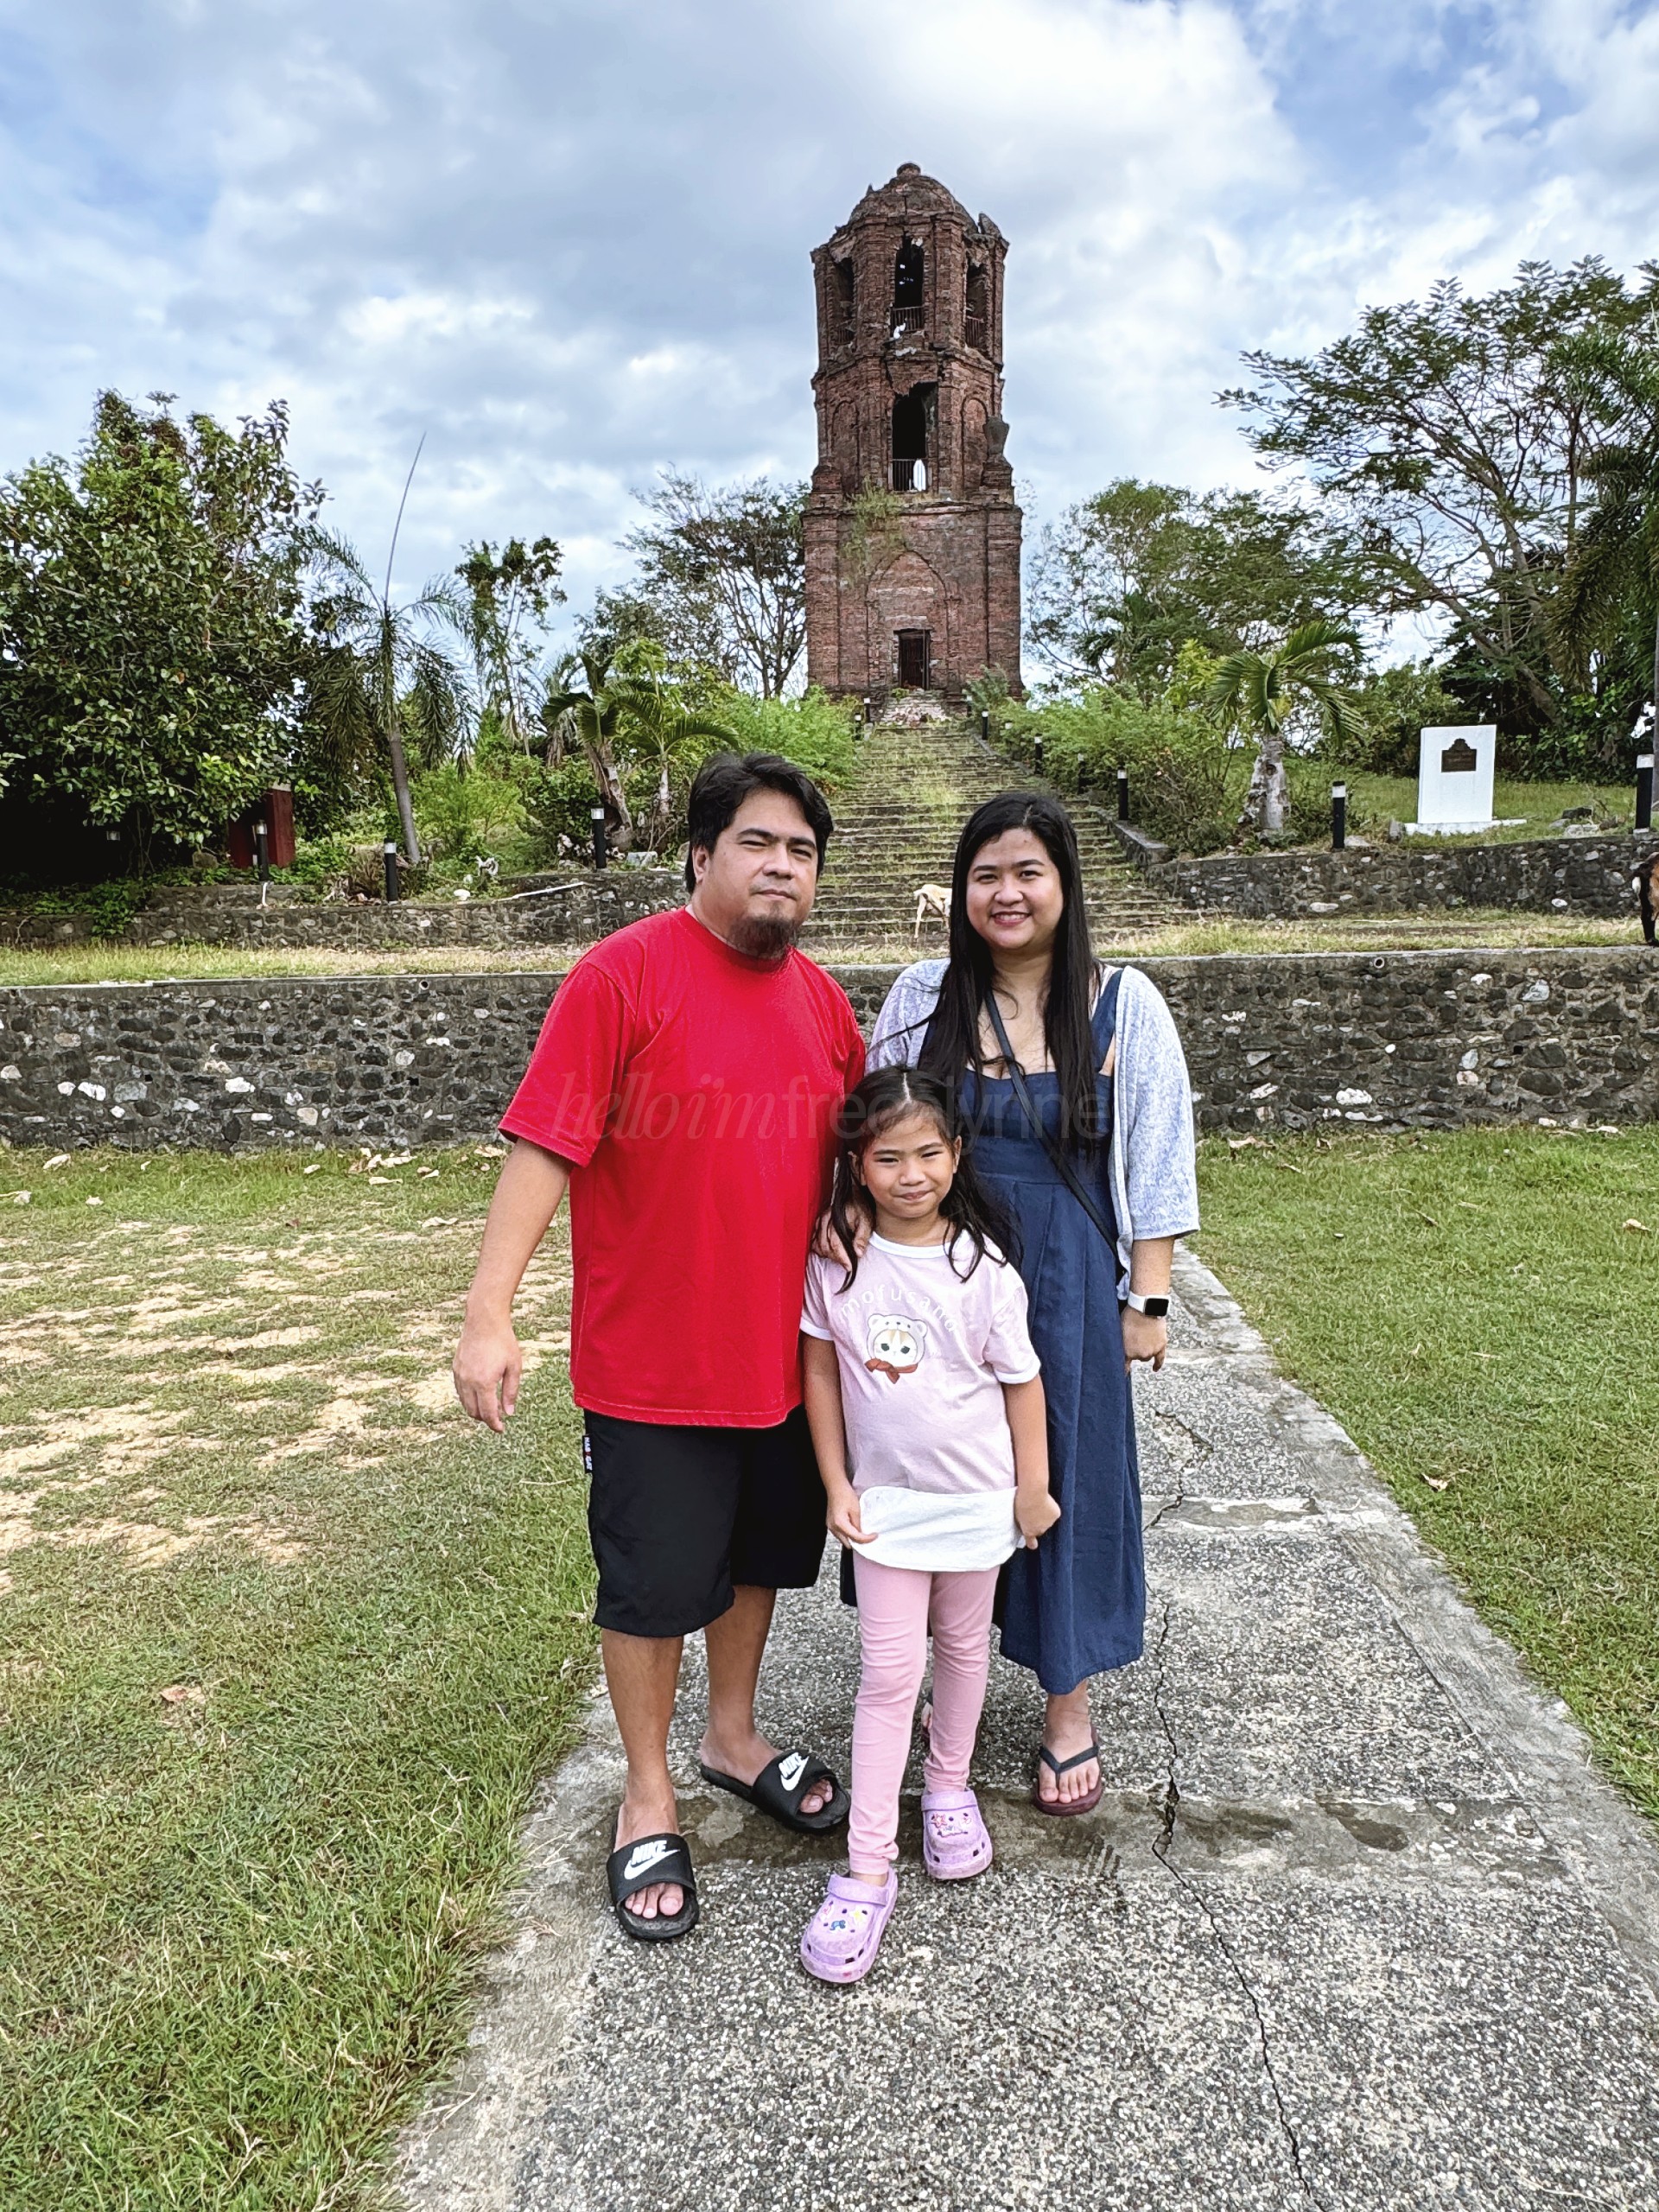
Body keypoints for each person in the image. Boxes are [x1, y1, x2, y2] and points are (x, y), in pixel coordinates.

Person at [452, 752, 866, 1943]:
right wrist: (490, 1311)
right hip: (654, 1368)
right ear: (701, 853)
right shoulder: (622, 979)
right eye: (758, 843)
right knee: (648, 1589)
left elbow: (862, 1165)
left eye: (801, 852)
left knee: (756, 1564)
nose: (782, 866)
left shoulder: (825, 1005)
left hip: (789, 1365)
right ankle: (649, 1789)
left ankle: (733, 1738)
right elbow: (544, 1145)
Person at [868, 791, 1198, 1814]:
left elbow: (1158, 1152)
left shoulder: (1120, 1002)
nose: (1006, 894)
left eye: (1028, 872)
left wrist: (1150, 1297)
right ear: (961, 889)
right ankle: (942, 1675)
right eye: (985, 874)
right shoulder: (923, 996)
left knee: (1068, 1473)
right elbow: (872, 1129)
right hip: (936, 1274)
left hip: (1063, 1278)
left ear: (1064, 884)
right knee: (933, 1458)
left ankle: (1067, 1703)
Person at [797, 1066, 1058, 1984]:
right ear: (858, 1165)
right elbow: (822, 1372)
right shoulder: (837, 1258)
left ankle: (947, 1787)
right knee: (885, 1675)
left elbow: (1022, 1384)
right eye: (888, 1156)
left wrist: (1034, 1489)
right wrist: (835, 1481)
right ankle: (867, 1868)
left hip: (977, 1508)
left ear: (957, 1154)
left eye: (928, 1152)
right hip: (887, 1512)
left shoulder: (982, 1269)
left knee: (962, 1648)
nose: (911, 1173)